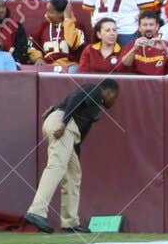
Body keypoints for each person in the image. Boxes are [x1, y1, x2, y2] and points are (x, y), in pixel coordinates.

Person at [23, 78, 120, 234]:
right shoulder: (95, 90)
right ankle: (36, 211)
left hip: (67, 129)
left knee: (73, 174)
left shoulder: (95, 104)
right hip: (63, 125)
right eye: (115, 97)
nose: (114, 101)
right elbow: (76, 99)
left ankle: (70, 223)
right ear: (110, 91)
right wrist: (63, 123)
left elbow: (78, 135)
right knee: (56, 166)